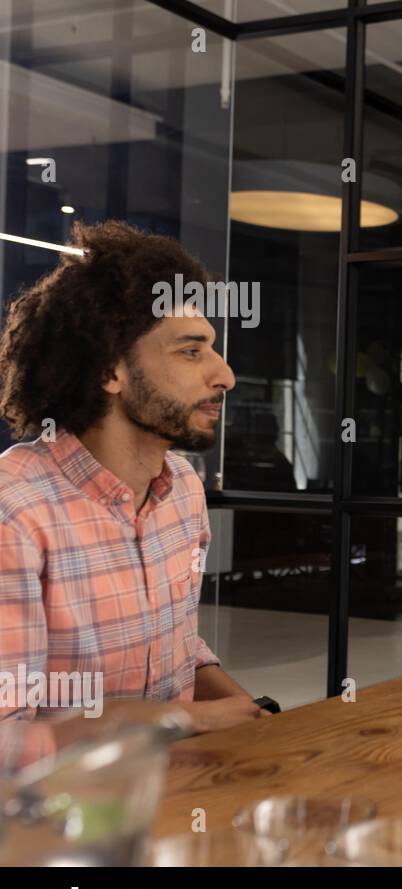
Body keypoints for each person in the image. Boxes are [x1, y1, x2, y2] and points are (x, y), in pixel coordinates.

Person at [0, 221, 269, 773]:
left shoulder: (183, 490)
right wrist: (174, 721)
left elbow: (177, 649)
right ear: (110, 371)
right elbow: (7, 746)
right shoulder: (16, 512)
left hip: (176, 802)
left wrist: (265, 727)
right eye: (191, 352)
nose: (226, 375)